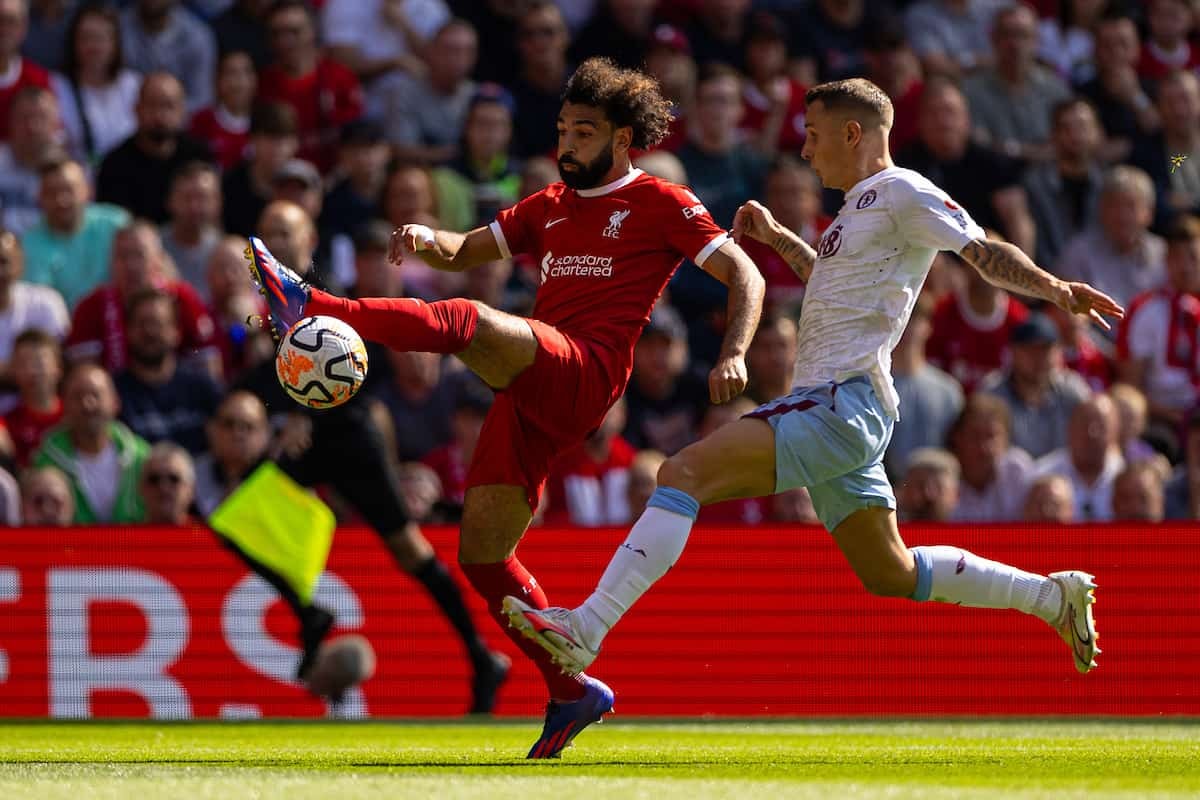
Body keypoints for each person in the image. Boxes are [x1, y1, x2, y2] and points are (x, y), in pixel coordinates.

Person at [502, 78, 1121, 717]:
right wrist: (776, 238)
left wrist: (1057, 289)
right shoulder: (859, 210)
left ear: (853, 134)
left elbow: (982, 251)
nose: (804, 151)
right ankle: (1052, 597)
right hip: (846, 408)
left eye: (813, 135)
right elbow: (830, 288)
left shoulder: (903, 191)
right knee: (891, 573)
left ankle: (587, 628)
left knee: (682, 472)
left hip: (840, 402)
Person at [246, 57, 765, 757]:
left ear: (619, 138)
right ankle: (571, 689)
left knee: (465, 320)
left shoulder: (662, 203)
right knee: (484, 559)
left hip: (585, 370)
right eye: (561, 129)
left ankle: (313, 304)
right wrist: (432, 239)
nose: (566, 143)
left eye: (582, 131)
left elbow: (746, 273)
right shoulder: (548, 205)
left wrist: (734, 352)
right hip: (530, 389)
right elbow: (467, 250)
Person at [242, 199, 512, 713]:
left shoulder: (328, 301)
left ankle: (481, 657)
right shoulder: (270, 306)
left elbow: (358, 376)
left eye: (287, 230)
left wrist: (304, 409)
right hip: (311, 443)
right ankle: (309, 614)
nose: (277, 241)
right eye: (268, 231)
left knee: (409, 550)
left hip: (350, 437)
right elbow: (268, 376)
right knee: (239, 519)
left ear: (309, 240)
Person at [33, 361, 150, 524]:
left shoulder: (143, 457)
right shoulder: (44, 462)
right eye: (77, 396)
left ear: (115, 402)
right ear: (64, 405)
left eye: (96, 394)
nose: (88, 404)